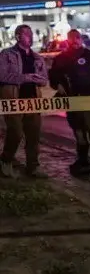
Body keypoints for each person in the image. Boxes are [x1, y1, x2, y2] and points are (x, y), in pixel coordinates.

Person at [49, 29, 90, 174]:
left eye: (77, 38)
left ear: (81, 39)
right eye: (72, 38)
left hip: (88, 99)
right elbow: (53, 77)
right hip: (71, 100)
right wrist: (57, 85)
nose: (75, 40)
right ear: (68, 40)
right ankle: (83, 161)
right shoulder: (61, 58)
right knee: (78, 132)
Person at [0, 24, 48, 178]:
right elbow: (2, 76)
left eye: (31, 33)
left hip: (33, 100)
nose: (30, 36)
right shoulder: (6, 55)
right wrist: (25, 77)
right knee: (16, 132)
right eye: (26, 33)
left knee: (33, 134)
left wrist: (40, 80)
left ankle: (32, 167)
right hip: (13, 100)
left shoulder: (37, 57)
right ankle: (6, 160)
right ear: (18, 36)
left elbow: (44, 79)